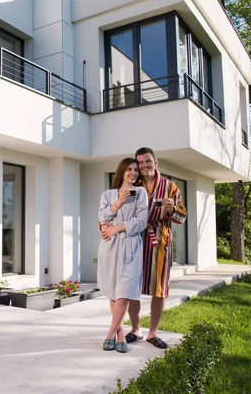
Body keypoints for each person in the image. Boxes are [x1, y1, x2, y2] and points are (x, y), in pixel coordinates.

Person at [126, 147, 187, 349]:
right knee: (132, 287)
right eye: (140, 162)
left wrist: (170, 209)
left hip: (159, 242)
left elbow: (182, 217)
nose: (144, 166)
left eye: (147, 161)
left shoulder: (170, 187)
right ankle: (136, 329)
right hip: (134, 241)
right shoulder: (133, 185)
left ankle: (153, 333)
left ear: (156, 161)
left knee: (159, 289)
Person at [98, 157, 148, 353]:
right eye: (129, 169)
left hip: (131, 246)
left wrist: (117, 228)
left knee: (124, 293)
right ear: (121, 172)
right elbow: (102, 217)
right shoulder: (108, 194)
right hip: (110, 248)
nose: (133, 173)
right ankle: (120, 335)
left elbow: (141, 221)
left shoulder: (141, 193)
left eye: (136, 170)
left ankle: (110, 333)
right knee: (113, 291)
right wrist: (119, 201)